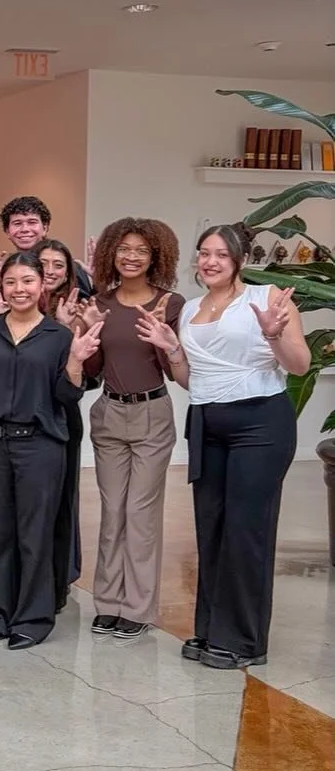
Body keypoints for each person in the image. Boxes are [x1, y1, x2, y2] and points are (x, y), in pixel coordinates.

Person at [138, 224, 308, 669]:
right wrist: (172, 348)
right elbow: (193, 379)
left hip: (260, 423)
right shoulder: (192, 308)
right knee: (211, 526)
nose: (210, 261)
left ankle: (245, 640)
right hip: (207, 422)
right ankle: (211, 629)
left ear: (240, 260)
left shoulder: (269, 298)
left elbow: (300, 364)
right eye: (203, 253)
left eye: (220, 254)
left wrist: (273, 334)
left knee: (245, 530)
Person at [0, 251, 102, 650]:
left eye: (28, 281)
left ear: (41, 285)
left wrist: (77, 361)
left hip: (40, 444)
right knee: (0, 532)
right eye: (12, 282)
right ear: (1, 287)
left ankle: (34, 617)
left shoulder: (59, 337)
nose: (19, 289)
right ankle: (1, 612)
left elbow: (67, 395)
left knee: (35, 533)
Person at [82, 218, 184, 641]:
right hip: (108, 413)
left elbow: (176, 372)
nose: (131, 256)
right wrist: (86, 330)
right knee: (112, 513)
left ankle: (137, 607)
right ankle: (107, 602)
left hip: (151, 415)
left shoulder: (171, 303)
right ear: (111, 253)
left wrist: (163, 338)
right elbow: (92, 370)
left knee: (140, 513)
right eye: (124, 248)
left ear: (155, 256)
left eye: (141, 250)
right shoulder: (100, 303)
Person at [37, 236, 90, 607]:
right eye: (44, 265)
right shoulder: (15, 302)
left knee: (62, 500)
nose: (50, 272)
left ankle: (61, 577)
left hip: (62, 414)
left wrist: (69, 329)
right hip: (21, 416)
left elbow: (83, 373)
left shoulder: (78, 309)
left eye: (59, 265)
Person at [0, 197, 93, 296]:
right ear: (7, 231)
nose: (25, 229)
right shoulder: (6, 268)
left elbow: (87, 304)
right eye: (17, 223)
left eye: (32, 222)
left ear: (45, 228)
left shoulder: (68, 267)